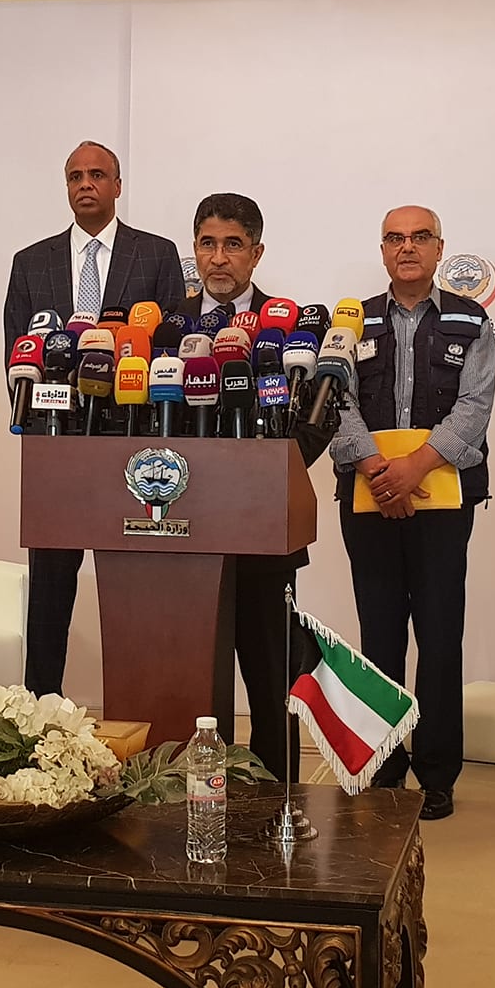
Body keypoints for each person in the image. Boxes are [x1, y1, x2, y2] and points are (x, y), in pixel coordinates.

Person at [329, 205, 495, 821]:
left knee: (440, 636)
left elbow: (475, 406)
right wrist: (380, 471)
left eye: (420, 237)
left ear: (439, 248)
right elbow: (335, 400)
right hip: (367, 498)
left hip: (443, 502)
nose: (407, 247)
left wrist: (416, 467)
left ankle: (437, 772)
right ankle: (383, 766)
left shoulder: (471, 320)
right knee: (378, 639)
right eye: (395, 238)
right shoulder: (349, 321)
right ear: (382, 250)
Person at [3, 141, 185, 697]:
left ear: (118, 185)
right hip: (55, 444)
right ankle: (40, 711)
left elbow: (170, 347)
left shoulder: (156, 255)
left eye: (98, 175)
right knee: (50, 587)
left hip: (133, 441)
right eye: (75, 176)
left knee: (136, 586)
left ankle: (141, 709)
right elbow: (17, 352)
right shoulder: (31, 262)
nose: (86, 184)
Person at [170, 193, 335, 782]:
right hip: (184, 535)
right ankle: (197, 794)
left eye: (233, 245)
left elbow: (319, 418)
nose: (219, 258)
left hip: (264, 532)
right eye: (208, 244)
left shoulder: (293, 328)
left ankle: (274, 800)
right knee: (192, 680)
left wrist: (268, 474)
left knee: (270, 677)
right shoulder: (167, 328)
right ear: (195, 250)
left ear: (257, 253)